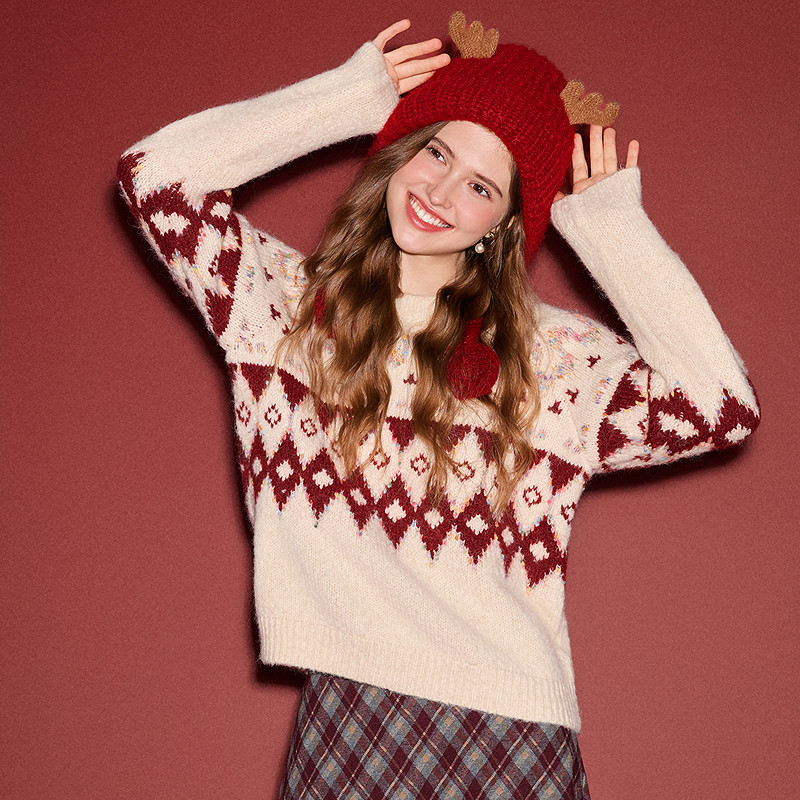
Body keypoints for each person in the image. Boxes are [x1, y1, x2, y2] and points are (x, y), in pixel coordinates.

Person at [118, 13, 759, 799]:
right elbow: (154, 176)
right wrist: (344, 100)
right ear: (401, 148)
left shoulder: (553, 364)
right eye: (436, 152)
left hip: (509, 729)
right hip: (347, 712)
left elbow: (722, 405)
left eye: (482, 187)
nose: (441, 192)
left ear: (504, 224)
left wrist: (610, 230)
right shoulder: (278, 309)